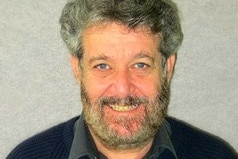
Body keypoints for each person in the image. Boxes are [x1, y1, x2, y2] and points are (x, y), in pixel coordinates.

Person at [7, 0, 238, 159]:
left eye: (140, 65)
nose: (122, 89)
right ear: (77, 69)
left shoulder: (217, 156)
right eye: (103, 66)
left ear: (167, 67)